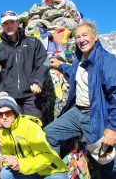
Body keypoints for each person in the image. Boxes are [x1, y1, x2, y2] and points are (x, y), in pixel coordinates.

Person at [44, 20, 116, 178]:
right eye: (77, 36)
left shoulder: (107, 61)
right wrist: (60, 66)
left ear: (95, 37)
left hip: (95, 116)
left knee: (106, 161)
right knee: (49, 134)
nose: (81, 39)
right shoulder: (80, 57)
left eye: (85, 35)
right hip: (77, 112)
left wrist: (112, 128)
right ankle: (58, 174)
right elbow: (75, 72)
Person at [0, 92, 68, 179]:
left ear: (15, 113)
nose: (4, 117)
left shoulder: (30, 126)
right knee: (5, 173)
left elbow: (47, 157)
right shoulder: (1, 132)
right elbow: (9, 158)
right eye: (0, 114)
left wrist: (20, 164)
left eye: (8, 113)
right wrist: (7, 162)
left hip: (50, 171)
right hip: (28, 171)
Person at [0, 11, 47, 119]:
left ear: (18, 23)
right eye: (6, 23)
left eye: (12, 22)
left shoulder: (33, 42)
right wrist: (1, 90)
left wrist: (37, 82)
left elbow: (44, 62)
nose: (9, 26)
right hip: (9, 97)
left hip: (31, 96)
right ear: (2, 26)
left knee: (33, 128)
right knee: (12, 130)